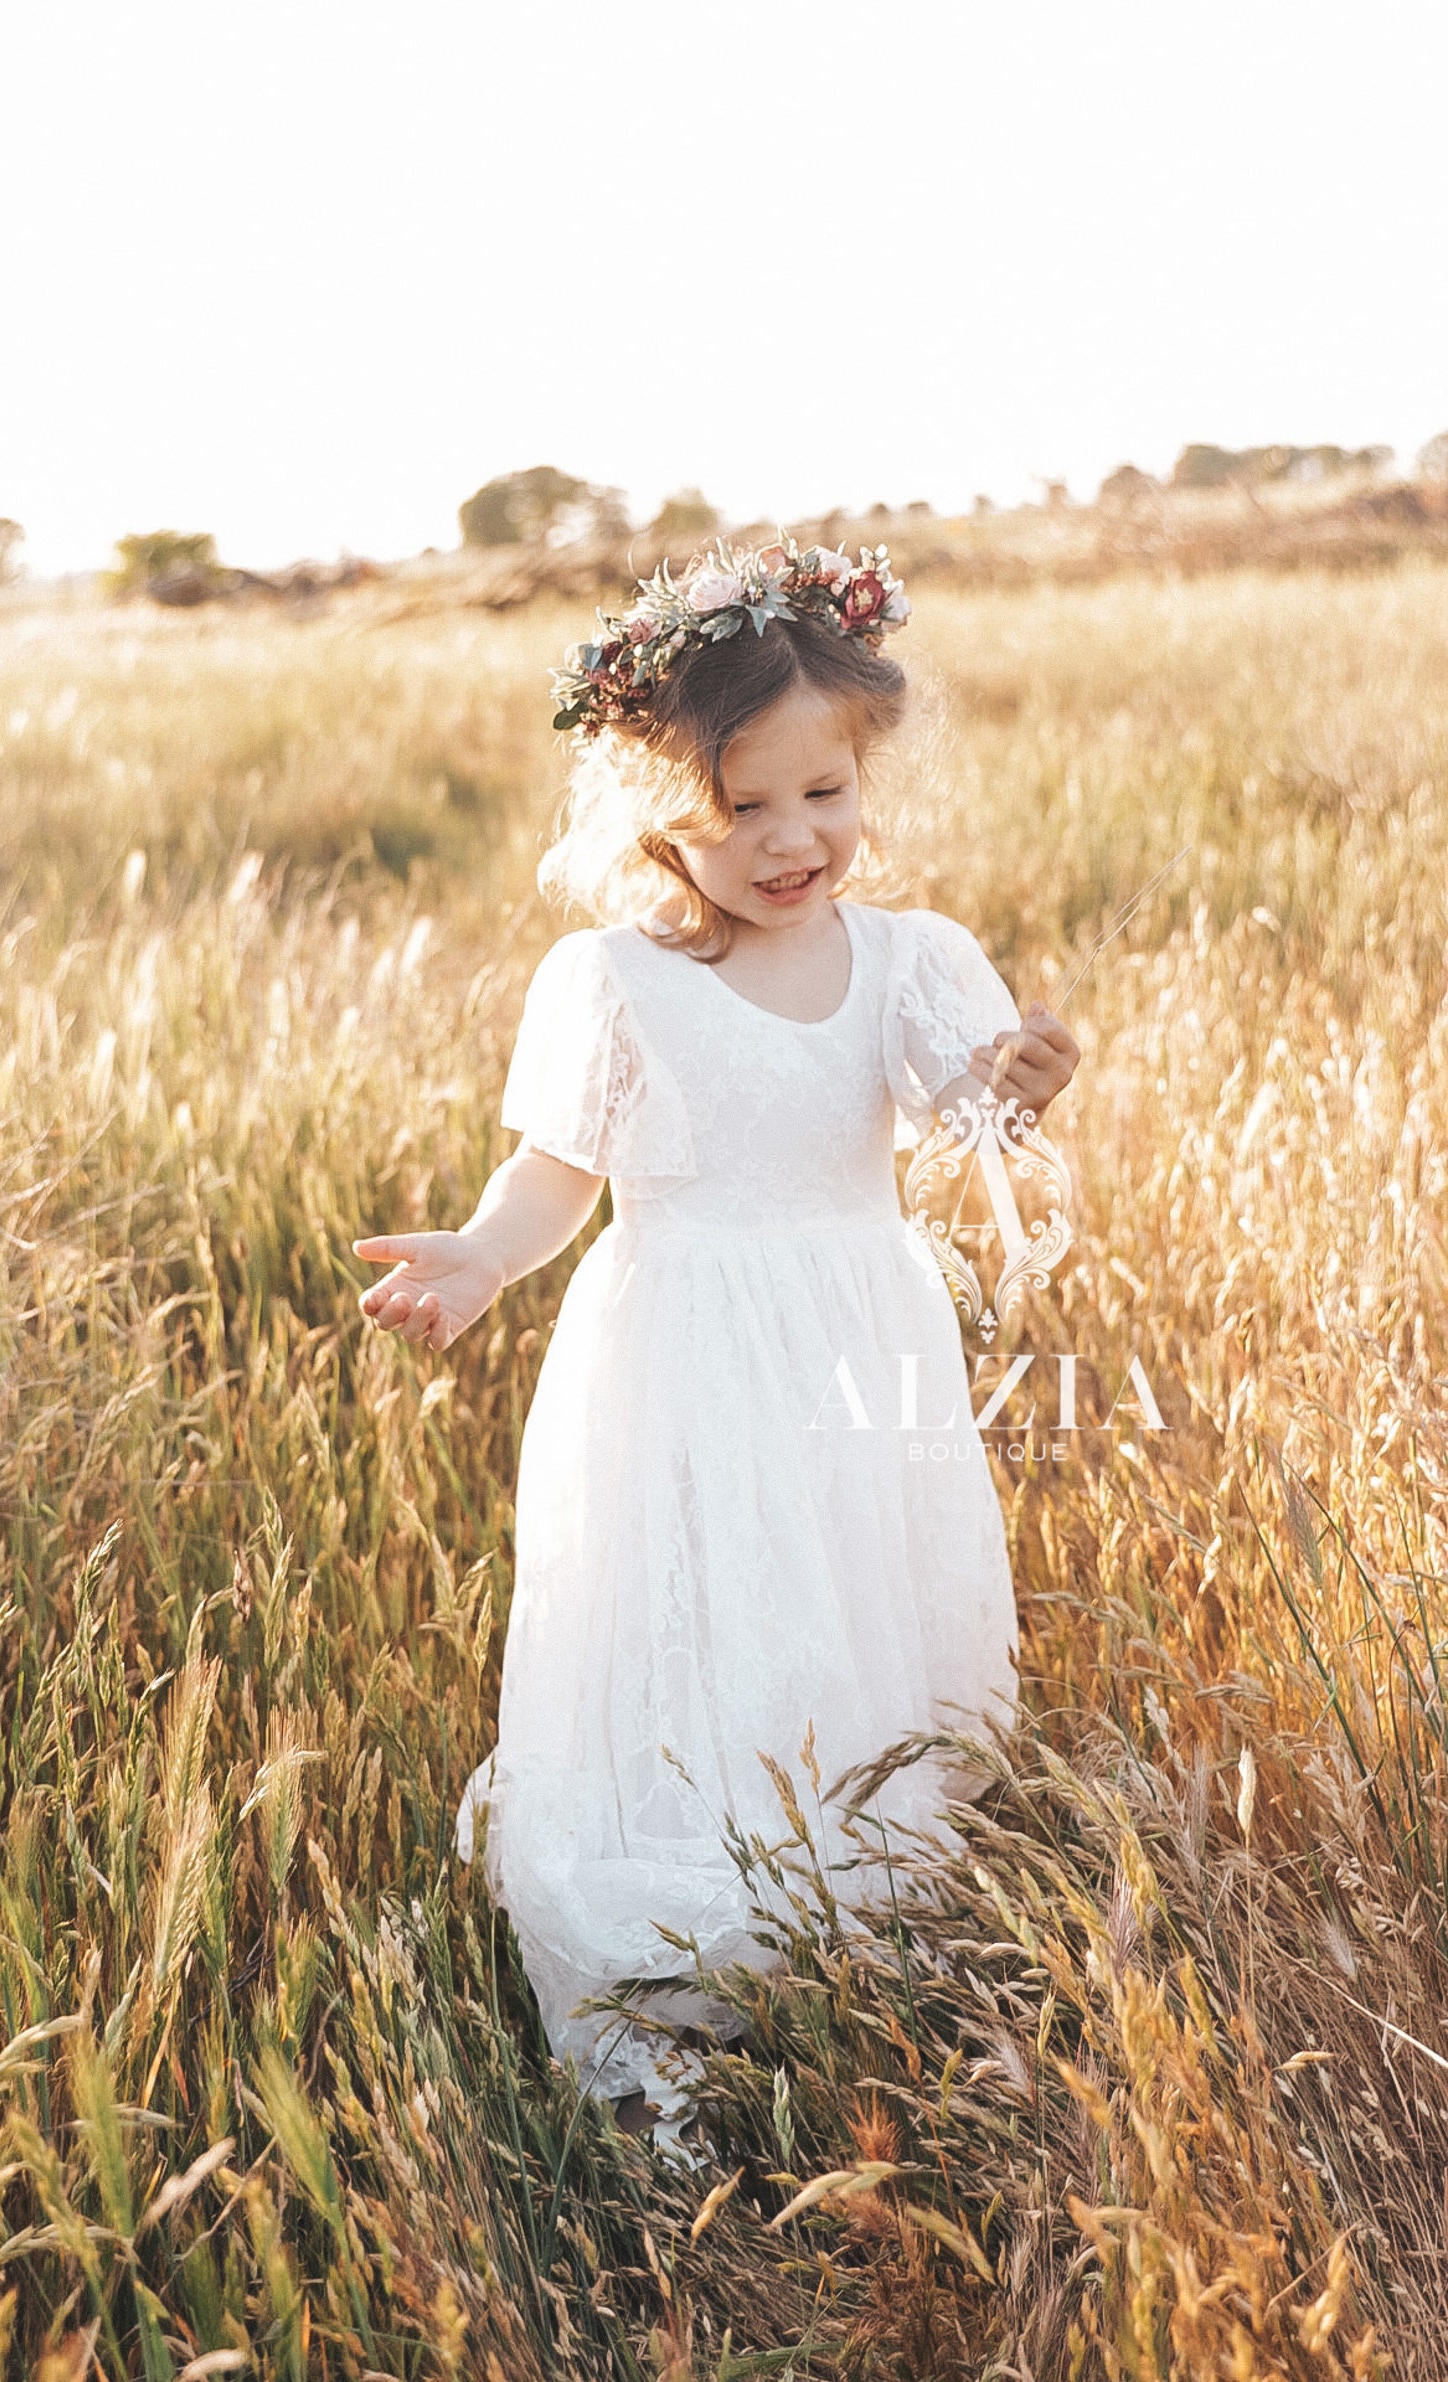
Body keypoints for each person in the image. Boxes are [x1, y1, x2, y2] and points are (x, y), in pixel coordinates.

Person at [352, 537, 1080, 2153]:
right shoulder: (611, 982)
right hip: (678, 1346)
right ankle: (670, 1948)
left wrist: (1017, 1089)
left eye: (821, 793)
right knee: (695, 1607)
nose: (790, 839)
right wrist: (480, 1256)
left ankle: (842, 1887)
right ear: (656, 802)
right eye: (743, 806)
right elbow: (557, 1176)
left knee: (842, 1592)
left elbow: (974, 1130)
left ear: (863, 766)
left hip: (850, 1334)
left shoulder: (907, 956)